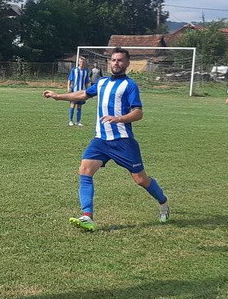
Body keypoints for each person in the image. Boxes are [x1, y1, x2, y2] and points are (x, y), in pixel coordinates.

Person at [42, 47, 169, 231]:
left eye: (120, 60)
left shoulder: (130, 85)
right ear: (110, 62)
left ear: (127, 63)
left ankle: (163, 202)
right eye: (113, 60)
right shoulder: (101, 82)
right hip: (101, 140)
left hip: (122, 141)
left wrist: (119, 118)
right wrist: (58, 96)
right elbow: (83, 94)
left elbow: (138, 112)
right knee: (85, 170)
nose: (116, 63)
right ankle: (87, 216)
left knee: (141, 179)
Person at [67, 56, 90, 126]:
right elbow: (69, 79)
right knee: (73, 105)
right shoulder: (74, 70)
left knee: (79, 106)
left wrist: (87, 91)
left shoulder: (86, 71)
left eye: (83, 62)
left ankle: (78, 121)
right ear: (78, 62)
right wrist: (68, 87)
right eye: (80, 62)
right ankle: (70, 121)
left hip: (82, 91)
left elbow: (86, 82)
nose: (82, 63)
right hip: (74, 91)